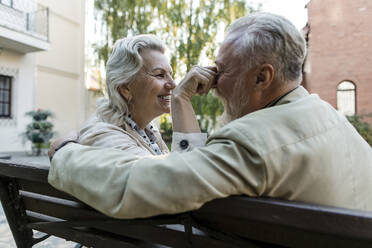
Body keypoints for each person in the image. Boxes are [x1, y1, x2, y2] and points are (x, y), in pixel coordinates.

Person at [48, 12, 372, 219]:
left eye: (222, 71)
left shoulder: (253, 143)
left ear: (262, 78)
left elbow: (135, 184)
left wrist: (65, 153)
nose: (213, 83)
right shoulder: (336, 123)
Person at [77, 34, 209, 156]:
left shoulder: (148, 129)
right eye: (159, 75)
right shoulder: (104, 137)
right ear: (125, 89)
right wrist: (181, 99)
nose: (173, 85)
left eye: (171, 75)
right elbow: (183, 177)